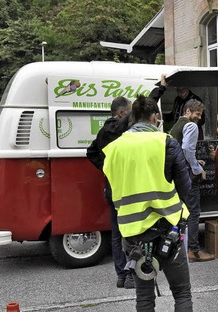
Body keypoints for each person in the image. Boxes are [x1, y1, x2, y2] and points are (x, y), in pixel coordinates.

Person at [102, 95, 193, 311]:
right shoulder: (166, 142)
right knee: (181, 292)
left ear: (133, 117)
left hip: (132, 234)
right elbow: (185, 188)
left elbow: (110, 191)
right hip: (168, 230)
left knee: (144, 297)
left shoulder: (114, 148)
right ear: (154, 117)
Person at [86, 96, 135, 289]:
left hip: (110, 188)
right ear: (122, 113)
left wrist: (105, 167)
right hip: (124, 189)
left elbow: (90, 152)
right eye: (129, 111)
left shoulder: (101, 132)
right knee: (130, 232)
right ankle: (131, 274)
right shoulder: (115, 128)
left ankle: (121, 275)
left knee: (116, 233)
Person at [170, 99, 214, 262]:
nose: (198, 117)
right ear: (188, 111)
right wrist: (197, 168)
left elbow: (180, 150)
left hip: (177, 174)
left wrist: (194, 160)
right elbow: (187, 149)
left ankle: (180, 248)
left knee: (181, 212)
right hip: (188, 174)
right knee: (194, 212)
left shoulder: (176, 126)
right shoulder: (191, 126)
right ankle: (193, 250)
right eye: (197, 113)